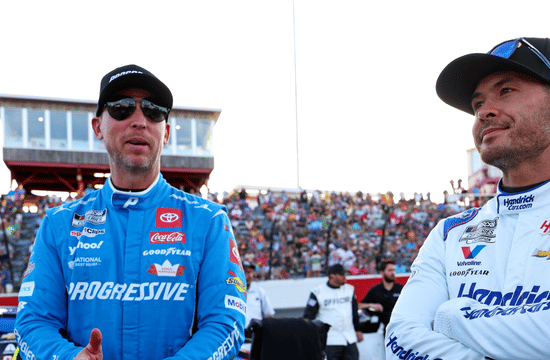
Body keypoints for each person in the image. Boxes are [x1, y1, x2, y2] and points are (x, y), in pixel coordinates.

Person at [386, 37, 550, 360]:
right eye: (477, 104)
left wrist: (452, 317)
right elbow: (400, 342)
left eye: (506, 91)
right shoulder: (448, 234)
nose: (484, 112)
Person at [14, 64, 246, 360]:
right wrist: (67, 357)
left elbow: (226, 323)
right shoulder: (59, 224)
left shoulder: (209, 221)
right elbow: (32, 322)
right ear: (98, 127)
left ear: (165, 134)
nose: (139, 121)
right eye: (122, 107)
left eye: (153, 110)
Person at [303, 264, 363, 360]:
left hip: (349, 338)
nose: (345, 277)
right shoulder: (317, 292)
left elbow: (354, 312)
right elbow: (308, 316)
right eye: (341, 275)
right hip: (330, 341)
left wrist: (358, 330)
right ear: (332, 276)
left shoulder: (349, 289)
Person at [358, 259, 403, 329]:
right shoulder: (376, 290)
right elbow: (359, 305)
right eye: (390, 270)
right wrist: (372, 305)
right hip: (382, 328)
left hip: (400, 326)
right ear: (382, 272)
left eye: (394, 270)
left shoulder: (401, 289)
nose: (393, 273)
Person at [243, 261, 275, 329]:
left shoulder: (260, 291)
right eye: (246, 272)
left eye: (250, 272)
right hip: (239, 334)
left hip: (256, 333)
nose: (250, 276)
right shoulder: (233, 292)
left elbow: (270, 315)